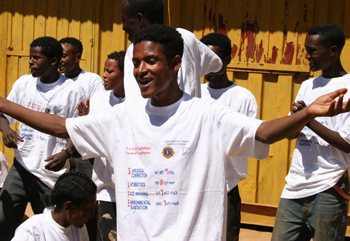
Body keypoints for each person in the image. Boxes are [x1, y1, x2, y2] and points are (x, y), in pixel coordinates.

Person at [0, 25, 349, 240]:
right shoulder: (123, 117)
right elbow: (62, 126)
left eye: (151, 61)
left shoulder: (208, 115)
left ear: (176, 63)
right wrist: (3, 103)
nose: (140, 70)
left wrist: (309, 114)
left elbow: (265, 132)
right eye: (135, 62)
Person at [0, 36, 85, 241]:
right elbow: (3, 113)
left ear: (53, 61)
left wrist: (66, 153)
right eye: (30, 57)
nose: (30, 62)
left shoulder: (73, 91)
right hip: (21, 167)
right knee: (3, 219)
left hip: (50, 176)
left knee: (47, 229)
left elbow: (80, 129)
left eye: (36, 58)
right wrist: (5, 130)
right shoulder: (24, 84)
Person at [271, 23, 350, 241]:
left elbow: (347, 145)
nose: (307, 56)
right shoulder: (307, 85)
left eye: (312, 50)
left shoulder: (349, 86)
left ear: (333, 51)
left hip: (329, 186)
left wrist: (308, 117)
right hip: (296, 184)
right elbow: (290, 134)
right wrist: (298, 118)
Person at [200, 33, 259, 241]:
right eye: (203, 59)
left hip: (225, 188)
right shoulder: (193, 93)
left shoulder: (243, 98)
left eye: (213, 60)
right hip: (194, 187)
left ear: (227, 60)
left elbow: (249, 142)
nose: (207, 66)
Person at [120, 0, 222, 100]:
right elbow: (216, 65)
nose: (123, 27)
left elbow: (134, 102)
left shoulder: (136, 49)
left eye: (124, 20)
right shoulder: (186, 37)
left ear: (139, 19)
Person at [82, 51, 125, 241]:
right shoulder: (99, 100)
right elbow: (91, 140)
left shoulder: (142, 102)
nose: (104, 75)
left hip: (133, 189)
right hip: (106, 189)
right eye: (104, 71)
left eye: (110, 71)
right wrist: (85, 122)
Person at [52, 37, 104, 178]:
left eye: (64, 56)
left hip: (82, 150)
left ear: (77, 57)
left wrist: (87, 115)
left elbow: (99, 114)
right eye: (58, 56)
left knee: (81, 190)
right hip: (56, 148)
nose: (60, 60)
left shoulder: (92, 81)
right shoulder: (55, 81)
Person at [12, 171, 96, 241]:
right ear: (68, 207)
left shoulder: (79, 228)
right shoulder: (32, 231)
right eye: (89, 209)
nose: (92, 214)